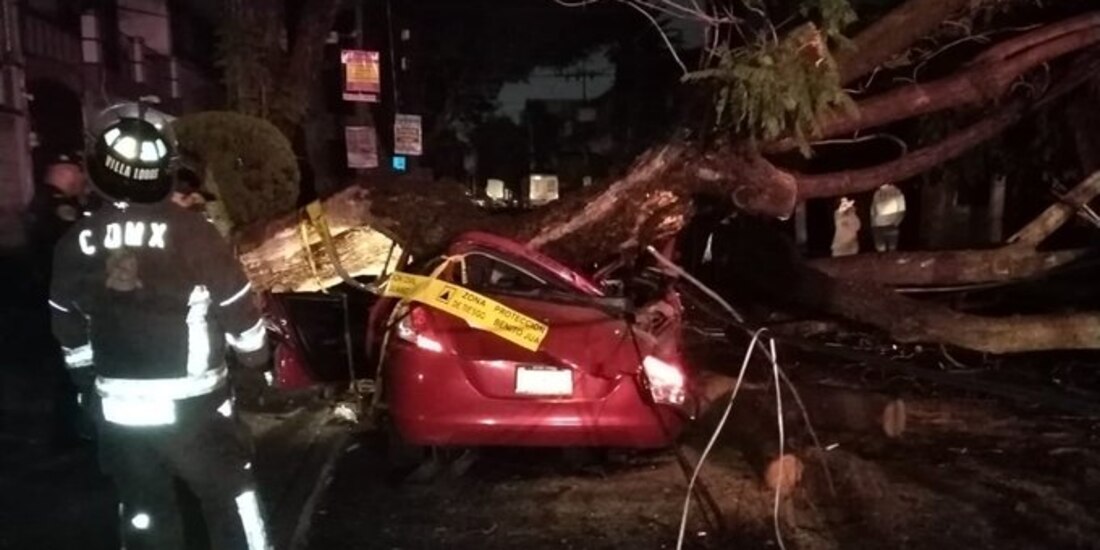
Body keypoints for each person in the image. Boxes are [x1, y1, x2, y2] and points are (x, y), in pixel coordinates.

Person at [49, 102, 272, 550]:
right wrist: (255, 357)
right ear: (165, 166)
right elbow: (237, 306)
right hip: (195, 408)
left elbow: (66, 321)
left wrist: (86, 382)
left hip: (118, 410)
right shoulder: (193, 233)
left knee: (144, 511)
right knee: (231, 497)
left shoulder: (75, 241)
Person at [871, 183, 906, 252]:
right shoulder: (877, 193)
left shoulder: (897, 192)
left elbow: (901, 210)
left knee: (891, 250)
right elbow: (873, 209)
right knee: (880, 250)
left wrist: (895, 223)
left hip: (891, 226)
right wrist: (873, 224)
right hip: (878, 227)